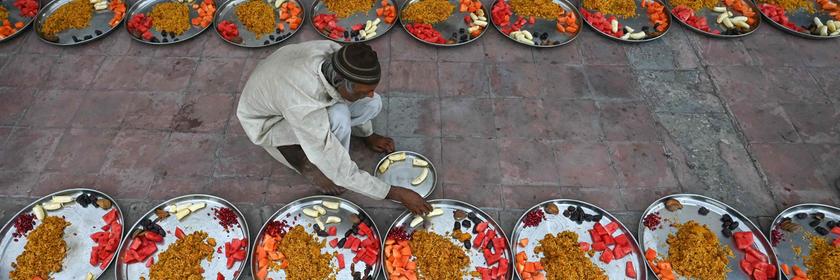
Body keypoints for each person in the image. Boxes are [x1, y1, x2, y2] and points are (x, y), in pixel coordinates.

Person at [237, 40, 432, 215]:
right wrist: (395, 193)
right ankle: (311, 167)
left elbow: (361, 95)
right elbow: (340, 170)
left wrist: (368, 134)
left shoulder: (337, 56)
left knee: (374, 103)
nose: (371, 93)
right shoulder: (302, 103)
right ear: (342, 85)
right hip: (267, 122)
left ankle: (359, 136)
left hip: (282, 77)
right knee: (339, 119)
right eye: (365, 90)